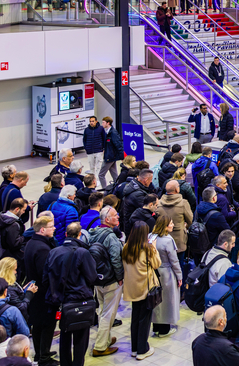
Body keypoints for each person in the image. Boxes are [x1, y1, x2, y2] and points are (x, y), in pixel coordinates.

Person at [44, 223, 97, 366]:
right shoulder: (82, 252)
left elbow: (45, 278)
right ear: (80, 234)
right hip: (80, 300)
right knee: (81, 339)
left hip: (61, 302)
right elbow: (92, 277)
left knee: (65, 336)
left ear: (66, 234)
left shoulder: (53, 252)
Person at [88, 206, 124, 356]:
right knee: (109, 313)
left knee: (102, 310)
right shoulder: (111, 237)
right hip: (111, 280)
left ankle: (106, 339)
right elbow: (116, 259)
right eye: (115, 216)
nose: (118, 217)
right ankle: (101, 346)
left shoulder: (93, 233)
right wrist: (120, 277)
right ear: (108, 220)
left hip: (97, 278)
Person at [122, 221, 159, 360]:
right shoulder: (147, 249)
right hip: (145, 288)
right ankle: (142, 350)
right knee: (144, 319)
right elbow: (156, 264)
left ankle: (134, 348)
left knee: (135, 318)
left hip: (132, 288)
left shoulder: (126, 247)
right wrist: (154, 249)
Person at [25, 214, 57, 366]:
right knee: (47, 325)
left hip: (35, 292)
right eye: (51, 227)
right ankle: (44, 357)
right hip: (44, 295)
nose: (54, 228)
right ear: (43, 230)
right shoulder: (43, 249)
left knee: (37, 325)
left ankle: (40, 353)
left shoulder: (31, 242)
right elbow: (46, 274)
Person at [98, 116, 124, 189]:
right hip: (110, 156)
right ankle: (118, 187)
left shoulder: (113, 133)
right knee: (114, 174)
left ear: (108, 123)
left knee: (101, 175)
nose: (102, 124)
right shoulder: (107, 132)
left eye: (103, 122)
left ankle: (104, 189)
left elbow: (118, 145)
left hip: (110, 157)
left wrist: (122, 157)